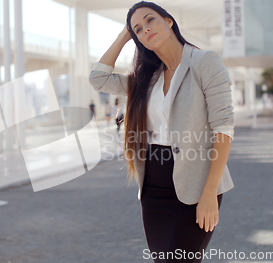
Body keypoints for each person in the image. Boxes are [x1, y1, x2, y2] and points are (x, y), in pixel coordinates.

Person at [88, 1, 235, 262]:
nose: (146, 30)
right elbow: (98, 78)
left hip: (196, 184)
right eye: (138, 29)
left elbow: (223, 129)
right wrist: (125, 35)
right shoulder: (147, 78)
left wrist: (210, 192)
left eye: (150, 20)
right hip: (154, 187)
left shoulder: (204, 62)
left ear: (168, 21)